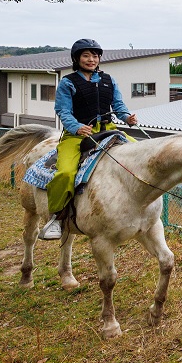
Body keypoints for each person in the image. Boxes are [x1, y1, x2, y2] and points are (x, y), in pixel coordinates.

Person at [39, 39, 137, 240]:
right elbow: (63, 111)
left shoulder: (109, 79)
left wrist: (127, 118)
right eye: (86, 56)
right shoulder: (68, 82)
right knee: (65, 172)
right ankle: (56, 217)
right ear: (77, 58)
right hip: (77, 135)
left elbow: (118, 105)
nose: (91, 59)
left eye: (95, 55)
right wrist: (76, 127)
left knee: (142, 156)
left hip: (108, 130)